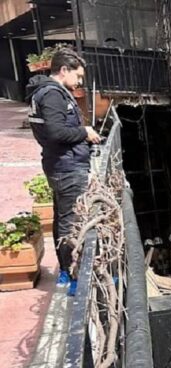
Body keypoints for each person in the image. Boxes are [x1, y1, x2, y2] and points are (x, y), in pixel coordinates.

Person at [26, 47, 102, 289]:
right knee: (72, 222)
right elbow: (56, 132)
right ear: (64, 70)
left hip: (61, 165)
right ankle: (75, 277)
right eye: (77, 76)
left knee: (63, 218)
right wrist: (85, 133)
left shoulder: (50, 92)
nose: (79, 82)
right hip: (67, 168)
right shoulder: (52, 95)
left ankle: (67, 272)